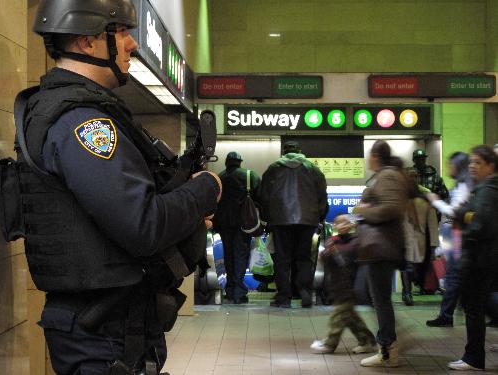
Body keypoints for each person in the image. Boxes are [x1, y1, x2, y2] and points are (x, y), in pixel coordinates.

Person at [21, 1, 222, 374]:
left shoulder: (81, 111)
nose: (132, 44)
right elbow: (142, 225)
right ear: (87, 41)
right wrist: (206, 189)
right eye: (121, 32)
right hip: (102, 333)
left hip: (112, 325)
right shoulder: (82, 123)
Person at [354, 140, 409, 368]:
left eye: (370, 155)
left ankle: (388, 349)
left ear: (376, 156)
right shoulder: (385, 176)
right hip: (376, 247)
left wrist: (363, 211)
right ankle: (387, 342)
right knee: (369, 294)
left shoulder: (387, 176)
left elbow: (391, 208)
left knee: (381, 299)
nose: (368, 159)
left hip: (382, 247)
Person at [447, 145, 498, 371]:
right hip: (484, 257)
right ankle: (473, 355)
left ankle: (474, 357)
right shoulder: (483, 188)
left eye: (478, 162)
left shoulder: (487, 190)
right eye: (471, 162)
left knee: (474, 307)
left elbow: (480, 223)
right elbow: (467, 213)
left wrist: (466, 226)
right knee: (482, 304)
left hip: (479, 258)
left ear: (490, 165)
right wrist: (465, 214)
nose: (473, 166)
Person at [260, 141, 328, 308]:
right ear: (299, 151)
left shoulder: (273, 169)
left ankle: (284, 298)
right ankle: (305, 294)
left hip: (281, 221)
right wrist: (319, 217)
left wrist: (267, 219)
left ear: (284, 153)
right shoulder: (313, 170)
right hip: (307, 221)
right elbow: (322, 197)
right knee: (304, 258)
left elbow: (264, 197)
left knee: (282, 260)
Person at [310, 215, 377, 354]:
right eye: (339, 223)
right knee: (350, 316)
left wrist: (336, 254)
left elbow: (352, 262)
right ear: (335, 226)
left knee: (339, 315)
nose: (342, 225)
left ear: (351, 225)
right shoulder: (331, 241)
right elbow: (323, 259)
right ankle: (367, 340)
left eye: (345, 222)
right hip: (336, 284)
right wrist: (329, 252)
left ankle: (330, 344)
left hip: (350, 284)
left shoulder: (356, 242)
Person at [425, 152, 472, 327]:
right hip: (457, 237)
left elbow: (454, 212)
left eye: (451, 164)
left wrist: (435, 201)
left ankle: (446, 315)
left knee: (454, 276)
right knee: (456, 277)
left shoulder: (464, 186)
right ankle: (449, 313)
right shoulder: (464, 185)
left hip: (459, 239)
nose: (448, 167)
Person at [213, 152, 261, 304]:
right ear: (240, 162)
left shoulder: (218, 178)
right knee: (241, 255)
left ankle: (230, 289)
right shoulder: (249, 175)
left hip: (223, 224)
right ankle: (239, 292)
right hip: (244, 223)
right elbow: (260, 199)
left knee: (228, 255)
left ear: (227, 162)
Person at [402, 170, 439, 306]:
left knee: (417, 268)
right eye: (409, 176)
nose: (412, 179)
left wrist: (434, 244)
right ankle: (407, 293)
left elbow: (432, 222)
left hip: (420, 238)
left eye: (415, 176)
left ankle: (413, 287)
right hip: (404, 236)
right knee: (406, 266)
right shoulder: (400, 196)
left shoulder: (425, 196)